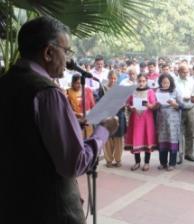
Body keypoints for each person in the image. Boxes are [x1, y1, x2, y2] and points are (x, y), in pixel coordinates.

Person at [0, 16, 118, 224]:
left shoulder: (6, 81)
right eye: (67, 51)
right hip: (50, 211)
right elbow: (73, 163)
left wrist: (71, 121)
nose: (69, 60)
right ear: (48, 52)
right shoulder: (48, 92)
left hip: (13, 204)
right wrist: (103, 132)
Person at [125, 74, 157, 171]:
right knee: (136, 139)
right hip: (135, 119)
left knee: (147, 139)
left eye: (143, 81)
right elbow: (128, 104)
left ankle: (147, 163)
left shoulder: (150, 91)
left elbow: (154, 105)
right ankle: (137, 162)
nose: (141, 83)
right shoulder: (133, 91)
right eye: (139, 81)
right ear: (137, 81)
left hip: (147, 119)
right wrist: (130, 107)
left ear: (146, 81)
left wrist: (149, 105)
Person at [156, 74, 183, 171]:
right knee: (162, 141)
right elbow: (155, 107)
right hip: (162, 121)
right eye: (163, 82)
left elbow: (182, 105)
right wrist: (157, 103)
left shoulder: (175, 91)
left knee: (172, 141)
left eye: (167, 82)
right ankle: (163, 163)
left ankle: (172, 163)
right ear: (160, 83)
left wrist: (174, 104)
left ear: (171, 82)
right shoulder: (158, 91)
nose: (165, 84)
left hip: (173, 121)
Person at [103, 71, 127, 168]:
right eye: (111, 78)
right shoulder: (103, 88)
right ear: (108, 78)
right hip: (106, 116)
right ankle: (108, 160)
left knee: (118, 139)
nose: (113, 80)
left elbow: (124, 103)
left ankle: (118, 160)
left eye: (114, 78)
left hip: (119, 116)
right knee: (107, 139)